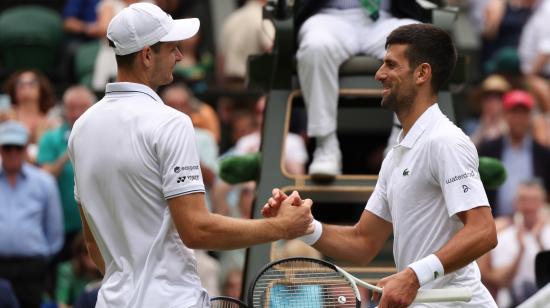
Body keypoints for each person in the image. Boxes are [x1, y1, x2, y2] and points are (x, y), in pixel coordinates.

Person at [67, 3, 313, 307]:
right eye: (172, 48)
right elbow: (196, 229)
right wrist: (281, 227)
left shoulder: (80, 128)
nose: (180, 56)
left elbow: (94, 244)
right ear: (146, 55)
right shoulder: (171, 122)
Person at [264, 23, 498, 307]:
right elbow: (363, 243)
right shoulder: (397, 155)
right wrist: (304, 226)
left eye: (390, 65)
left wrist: (412, 276)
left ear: (422, 73)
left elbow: (483, 231)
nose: (379, 74)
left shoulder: (445, 141)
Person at [296, 0, 423, 178]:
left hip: (387, 18)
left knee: (415, 42)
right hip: (330, 17)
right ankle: (325, 146)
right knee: (316, 45)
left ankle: (400, 143)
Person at [0, 121, 64, 308]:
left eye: (17, 148)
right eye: (7, 147)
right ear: (1, 149)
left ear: (26, 149)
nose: (13, 152)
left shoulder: (44, 183)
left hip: (32, 267)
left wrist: (42, 258)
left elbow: (55, 230)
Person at [37, 86, 95, 261]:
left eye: (82, 107)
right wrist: (69, 150)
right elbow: (45, 176)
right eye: (71, 108)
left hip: (96, 222)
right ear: (64, 110)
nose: (77, 113)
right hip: (63, 224)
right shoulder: (51, 138)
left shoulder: (103, 135)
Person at [477, 90, 550, 217]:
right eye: (514, 112)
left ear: (530, 117)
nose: (519, 119)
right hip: (496, 222)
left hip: (535, 223)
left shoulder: (543, 154)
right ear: (505, 115)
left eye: (523, 113)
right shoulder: (489, 149)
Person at [479, 180, 550, 307]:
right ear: (515, 203)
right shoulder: (503, 235)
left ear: (543, 202)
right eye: (523, 200)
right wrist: (520, 252)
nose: (529, 206)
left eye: (533, 200)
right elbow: (500, 281)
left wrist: (539, 243)